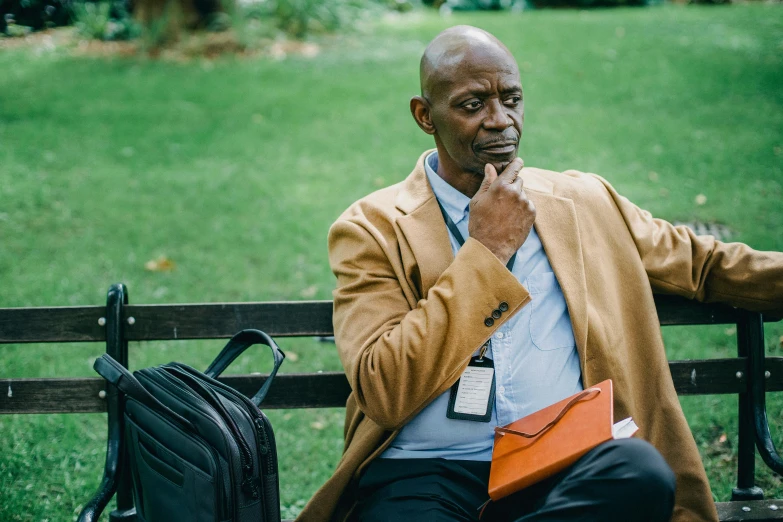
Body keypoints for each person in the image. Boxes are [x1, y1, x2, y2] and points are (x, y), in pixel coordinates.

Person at [297, 26, 783, 522]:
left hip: (559, 462)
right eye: (472, 105)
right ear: (426, 116)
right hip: (426, 473)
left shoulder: (583, 203)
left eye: (512, 99)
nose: (500, 120)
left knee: (639, 471)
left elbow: (704, 265)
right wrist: (487, 250)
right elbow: (385, 388)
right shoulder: (371, 229)